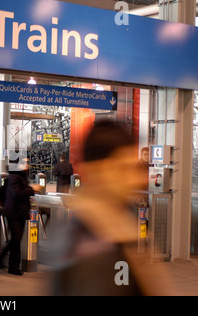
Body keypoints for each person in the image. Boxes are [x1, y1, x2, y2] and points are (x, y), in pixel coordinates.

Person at [50, 120, 174, 296]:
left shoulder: (117, 223)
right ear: (97, 171)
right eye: (122, 169)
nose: (134, 179)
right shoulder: (91, 247)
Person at [0, 157, 42, 276]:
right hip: (13, 212)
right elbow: (17, 193)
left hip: (20, 212)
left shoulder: (21, 176)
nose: (27, 164)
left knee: (17, 239)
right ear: (17, 164)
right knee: (16, 239)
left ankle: (11, 263)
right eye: (23, 162)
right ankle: (10, 263)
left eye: (28, 162)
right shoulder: (14, 177)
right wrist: (32, 189)